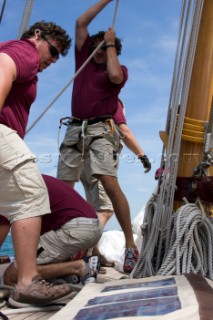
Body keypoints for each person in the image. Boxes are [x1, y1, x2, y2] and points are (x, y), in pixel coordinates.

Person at [57, 0, 149, 271]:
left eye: (102, 46)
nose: (96, 48)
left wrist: (110, 44)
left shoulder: (119, 72)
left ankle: (131, 246)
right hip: (75, 129)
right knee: (63, 188)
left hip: (101, 130)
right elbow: (80, 23)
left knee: (109, 184)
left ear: (112, 51)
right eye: (94, 45)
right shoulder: (83, 63)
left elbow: (114, 74)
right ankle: (78, 248)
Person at [0, 21, 73, 306]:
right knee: (31, 193)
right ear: (37, 36)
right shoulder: (24, 50)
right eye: (53, 51)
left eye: (57, 58)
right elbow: (4, 64)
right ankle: (28, 282)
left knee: (5, 211)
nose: (52, 60)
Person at [80, 98, 151, 266]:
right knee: (105, 210)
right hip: (98, 160)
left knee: (93, 209)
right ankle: (85, 251)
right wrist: (142, 155)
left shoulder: (90, 106)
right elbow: (124, 132)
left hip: (83, 157)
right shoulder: (113, 103)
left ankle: (94, 254)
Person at [0, 174, 102, 286]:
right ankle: (66, 272)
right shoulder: (28, 176)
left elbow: (2, 230)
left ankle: (80, 267)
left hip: (73, 230)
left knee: (13, 275)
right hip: (90, 226)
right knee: (28, 257)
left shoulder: (6, 189)